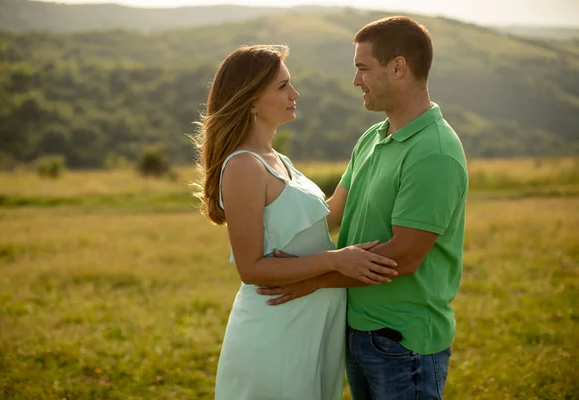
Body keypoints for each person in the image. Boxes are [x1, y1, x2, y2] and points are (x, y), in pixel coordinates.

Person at [258, 16, 469, 400]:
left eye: (362, 68)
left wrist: (314, 279)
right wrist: (264, 211)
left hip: (404, 343)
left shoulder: (434, 152)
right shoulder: (373, 136)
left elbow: (402, 258)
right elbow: (332, 212)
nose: (356, 81)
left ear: (398, 67)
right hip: (358, 331)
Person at [192, 45, 398, 400]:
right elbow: (251, 269)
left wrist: (370, 154)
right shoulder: (244, 166)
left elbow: (324, 219)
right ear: (252, 101)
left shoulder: (277, 159)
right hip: (277, 327)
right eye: (282, 87)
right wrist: (336, 260)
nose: (294, 94)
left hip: (310, 324)